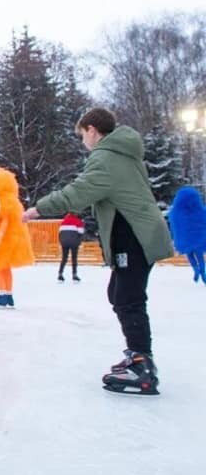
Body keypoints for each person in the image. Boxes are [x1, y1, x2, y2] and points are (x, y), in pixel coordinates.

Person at [23, 107, 173, 395]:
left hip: (133, 235)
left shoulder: (105, 158)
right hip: (135, 233)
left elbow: (78, 193)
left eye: (82, 135)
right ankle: (137, 355)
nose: (83, 142)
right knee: (119, 293)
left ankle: (142, 365)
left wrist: (38, 208)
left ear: (92, 129)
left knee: (128, 297)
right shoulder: (122, 154)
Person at [0, 167, 35, 309]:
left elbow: (3, 222)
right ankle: (8, 294)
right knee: (5, 268)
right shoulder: (13, 201)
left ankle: (1, 294)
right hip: (11, 240)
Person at [167, 186, 206, 282]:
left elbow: (174, 227)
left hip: (184, 239)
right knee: (200, 256)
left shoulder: (176, 212)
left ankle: (195, 269)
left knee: (190, 255)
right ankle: (203, 272)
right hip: (198, 238)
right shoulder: (200, 211)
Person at [57, 212, 85, 283]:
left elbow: (60, 232)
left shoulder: (64, 221)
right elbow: (81, 232)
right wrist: (79, 241)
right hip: (74, 242)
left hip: (64, 242)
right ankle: (74, 275)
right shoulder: (78, 221)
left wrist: (61, 241)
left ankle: (60, 274)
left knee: (64, 258)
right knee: (74, 258)